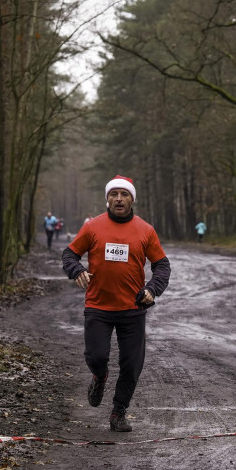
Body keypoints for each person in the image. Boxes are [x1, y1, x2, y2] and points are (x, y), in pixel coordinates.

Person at [62, 175, 171, 432]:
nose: (119, 199)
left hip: (133, 309)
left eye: (124, 194)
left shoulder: (145, 230)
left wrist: (152, 289)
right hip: (98, 306)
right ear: (107, 199)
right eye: (114, 194)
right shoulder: (93, 227)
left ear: (132, 199)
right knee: (97, 357)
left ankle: (118, 412)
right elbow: (70, 253)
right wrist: (76, 269)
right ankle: (99, 377)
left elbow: (162, 266)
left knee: (132, 365)